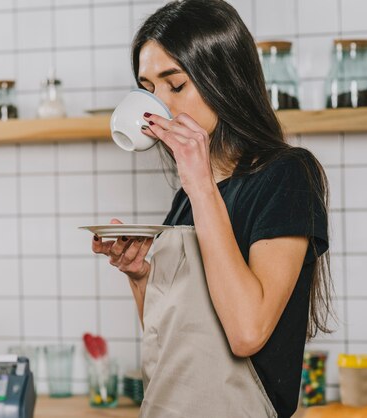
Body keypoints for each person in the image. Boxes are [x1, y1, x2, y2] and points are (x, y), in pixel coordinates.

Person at [91, 1, 333, 417]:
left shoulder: (288, 176)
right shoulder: (187, 194)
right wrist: (139, 275)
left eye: (175, 85)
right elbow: (175, 345)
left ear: (224, 81)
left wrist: (201, 185)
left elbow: (246, 333)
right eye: (147, 89)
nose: (157, 109)